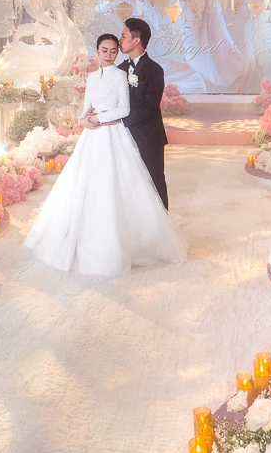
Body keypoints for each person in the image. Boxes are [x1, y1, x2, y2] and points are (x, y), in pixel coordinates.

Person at [24, 32, 186, 276]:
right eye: (104, 50)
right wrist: (83, 120)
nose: (109, 55)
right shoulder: (91, 77)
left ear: (117, 53)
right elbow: (85, 108)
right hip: (92, 136)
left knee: (116, 184)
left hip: (113, 134)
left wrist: (99, 119)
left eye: (113, 51)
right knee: (84, 183)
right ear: (97, 51)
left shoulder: (121, 76)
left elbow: (124, 108)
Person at [116, 17, 169, 209]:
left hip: (148, 136)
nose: (120, 40)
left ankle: (161, 221)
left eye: (124, 36)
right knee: (128, 182)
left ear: (136, 40)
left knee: (154, 179)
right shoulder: (120, 69)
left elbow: (150, 107)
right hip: (123, 137)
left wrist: (121, 121)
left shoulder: (154, 70)